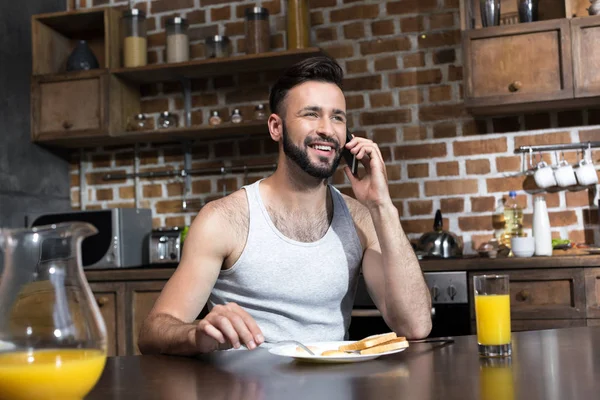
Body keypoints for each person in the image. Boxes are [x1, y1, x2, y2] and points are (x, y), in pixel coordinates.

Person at [138, 56, 432, 355]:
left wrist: (382, 206)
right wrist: (196, 334)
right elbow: (154, 330)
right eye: (311, 114)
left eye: (338, 117)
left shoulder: (361, 219)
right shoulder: (223, 219)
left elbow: (415, 326)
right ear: (276, 127)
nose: (327, 129)